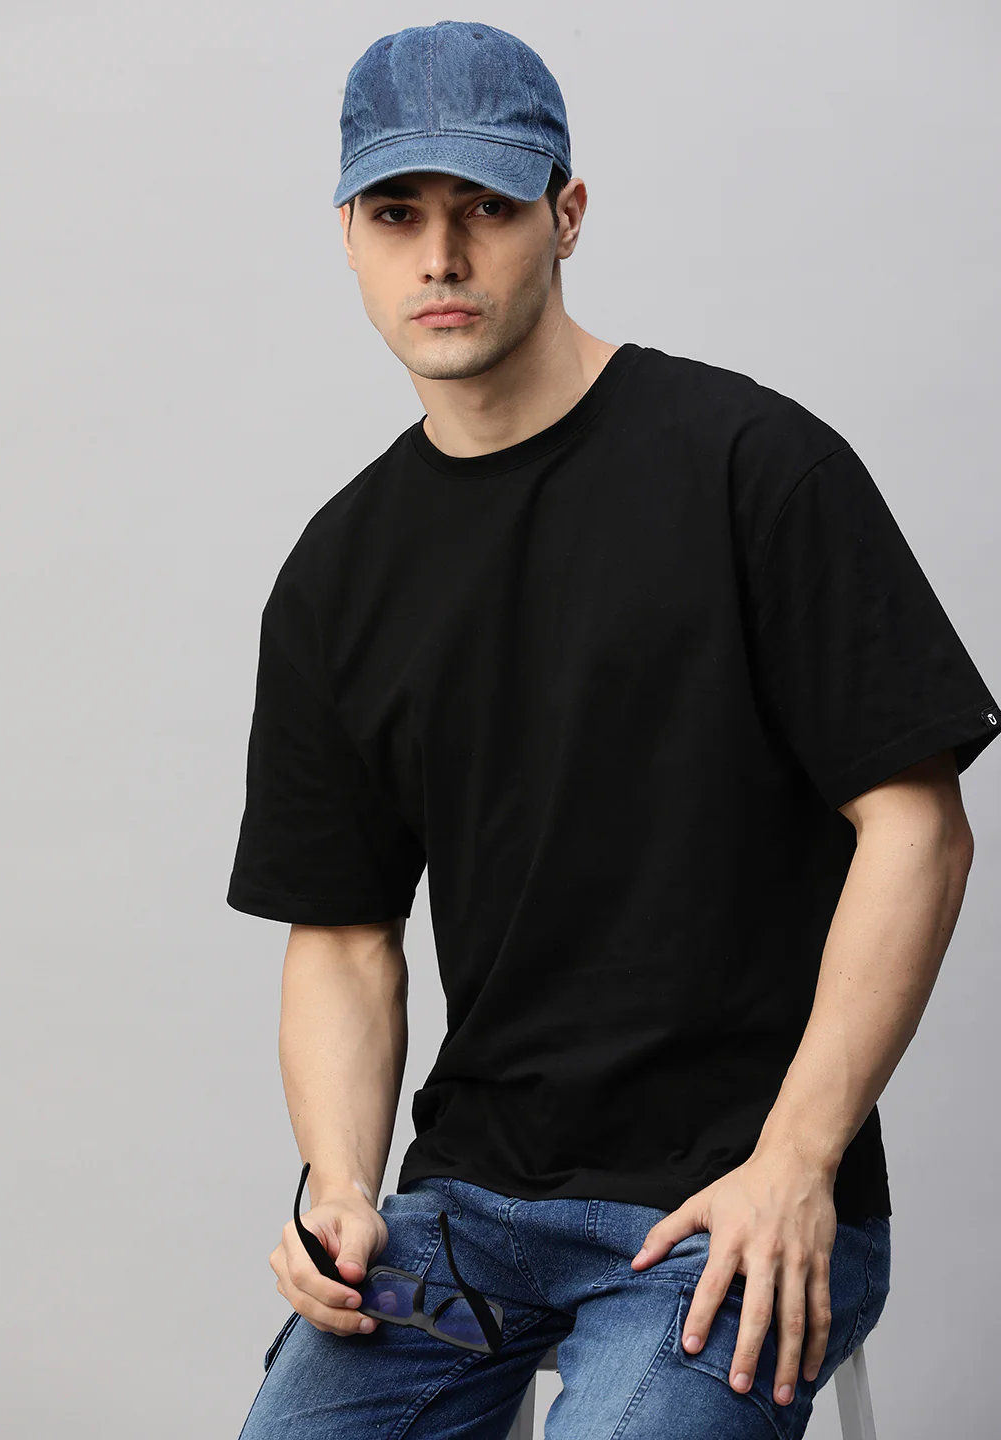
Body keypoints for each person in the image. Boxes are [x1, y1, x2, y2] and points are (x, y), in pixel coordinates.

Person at [226, 21, 999, 1440]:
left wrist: (798, 1161)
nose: (440, 256)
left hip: (736, 1195)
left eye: (486, 206)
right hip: (468, 1211)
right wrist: (338, 1187)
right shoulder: (337, 576)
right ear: (347, 236)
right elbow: (340, 934)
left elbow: (919, 829)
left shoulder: (753, 468)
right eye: (397, 214)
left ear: (566, 214)